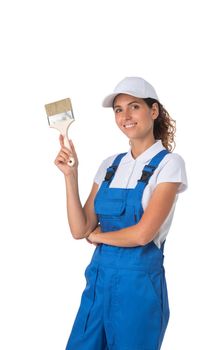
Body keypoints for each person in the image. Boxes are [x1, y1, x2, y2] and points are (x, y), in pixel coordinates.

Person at [55, 77, 188, 350]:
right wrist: (71, 176)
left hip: (138, 290)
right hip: (98, 282)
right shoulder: (109, 165)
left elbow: (142, 234)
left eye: (134, 107)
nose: (125, 116)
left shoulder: (169, 165)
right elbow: (81, 230)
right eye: (118, 109)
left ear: (154, 111)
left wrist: (100, 236)